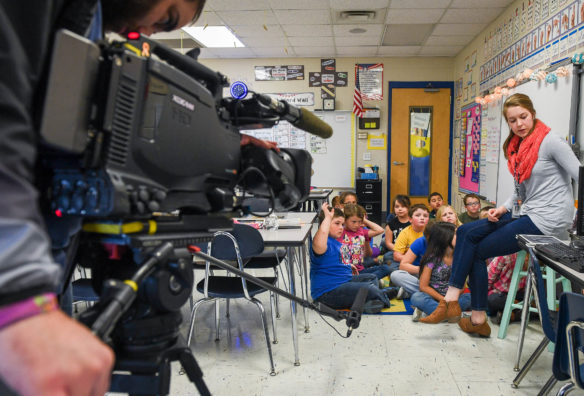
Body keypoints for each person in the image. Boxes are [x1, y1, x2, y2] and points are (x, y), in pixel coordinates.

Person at [0, 1, 209, 395]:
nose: (152, 30)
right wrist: (15, 297)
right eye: (166, 18)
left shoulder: (88, 20)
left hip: (45, 273)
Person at [422, 93, 581, 337]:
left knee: (475, 249)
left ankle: (466, 311)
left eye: (523, 117)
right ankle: (461, 307)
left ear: (533, 113)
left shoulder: (551, 141)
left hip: (547, 219)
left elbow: (581, 174)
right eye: (513, 120)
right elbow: (521, 190)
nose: (519, 124)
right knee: (464, 231)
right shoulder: (519, 147)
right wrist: (503, 208)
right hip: (525, 212)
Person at [310, 203, 395, 313]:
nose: (341, 227)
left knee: (371, 278)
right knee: (369, 288)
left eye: (342, 224)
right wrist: (327, 218)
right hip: (326, 293)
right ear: (325, 224)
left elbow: (339, 259)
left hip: (343, 280)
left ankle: (373, 298)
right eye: (337, 223)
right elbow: (321, 236)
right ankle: (381, 297)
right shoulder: (322, 242)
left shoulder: (337, 241)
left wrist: (348, 265)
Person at [391, 203, 461, 299]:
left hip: (445, 282)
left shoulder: (455, 240)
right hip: (423, 276)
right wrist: (427, 271)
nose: (448, 217)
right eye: (444, 215)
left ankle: (414, 294)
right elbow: (403, 265)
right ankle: (431, 296)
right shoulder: (421, 241)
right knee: (396, 274)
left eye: (450, 213)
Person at [410, 222, 471, 322]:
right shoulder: (432, 258)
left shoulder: (460, 258)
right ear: (445, 238)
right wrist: (443, 300)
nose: (459, 236)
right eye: (456, 234)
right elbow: (423, 286)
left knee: (469, 297)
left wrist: (451, 300)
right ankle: (453, 315)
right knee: (417, 297)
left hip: (453, 299)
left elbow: (462, 286)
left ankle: (436, 314)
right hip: (435, 297)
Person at [339, 204, 391, 283]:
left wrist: (364, 220)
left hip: (361, 269)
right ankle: (372, 282)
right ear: (345, 220)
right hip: (348, 273)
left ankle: (369, 281)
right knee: (371, 278)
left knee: (386, 268)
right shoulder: (339, 232)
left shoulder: (361, 231)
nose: (357, 225)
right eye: (353, 222)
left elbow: (380, 230)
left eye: (359, 222)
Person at [487, 253, 527, 324]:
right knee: (491, 301)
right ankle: (515, 310)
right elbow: (488, 279)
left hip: (517, 294)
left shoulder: (502, 256)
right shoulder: (505, 257)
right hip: (503, 294)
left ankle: (511, 313)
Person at [379, 194, 411, 263]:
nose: (400, 209)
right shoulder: (391, 224)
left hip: (411, 251)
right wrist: (399, 250)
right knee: (387, 257)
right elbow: (388, 243)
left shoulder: (413, 223)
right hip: (395, 250)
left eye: (403, 206)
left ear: (408, 207)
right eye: (397, 206)